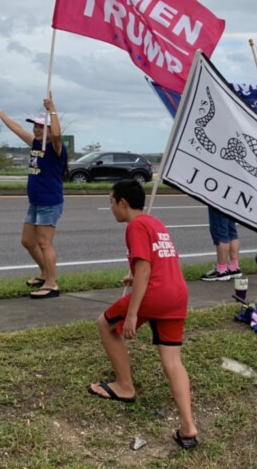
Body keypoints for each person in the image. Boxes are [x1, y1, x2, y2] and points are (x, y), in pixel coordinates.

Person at [89, 180, 198, 450]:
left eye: (111, 201)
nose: (110, 207)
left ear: (123, 203)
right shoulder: (154, 223)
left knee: (105, 324)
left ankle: (125, 387)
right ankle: (188, 427)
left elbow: (146, 268)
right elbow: (160, 259)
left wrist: (132, 315)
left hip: (155, 293)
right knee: (172, 360)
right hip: (177, 293)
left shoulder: (135, 226)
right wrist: (133, 275)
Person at [0, 95, 67, 299]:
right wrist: (2, 115)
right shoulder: (36, 144)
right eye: (36, 126)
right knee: (27, 241)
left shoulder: (56, 148)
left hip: (49, 203)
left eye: (42, 127)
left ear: (51, 129)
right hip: (35, 202)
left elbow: (59, 136)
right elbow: (18, 130)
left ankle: (52, 283)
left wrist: (52, 108)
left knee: (44, 244)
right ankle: (45, 273)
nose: (37, 130)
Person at [200, 207, 242, 282]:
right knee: (231, 231)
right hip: (230, 200)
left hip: (219, 199)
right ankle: (234, 267)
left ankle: (222, 270)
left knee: (220, 231)